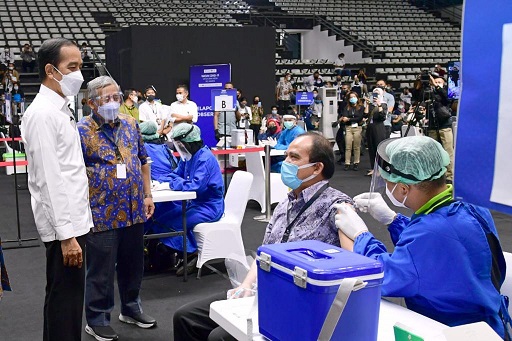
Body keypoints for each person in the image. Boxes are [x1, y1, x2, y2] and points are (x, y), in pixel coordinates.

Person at [173, 132, 353, 341]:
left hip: (298, 302)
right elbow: (264, 253)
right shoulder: (285, 204)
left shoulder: (338, 207)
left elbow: (352, 269)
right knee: (185, 317)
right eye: (286, 156)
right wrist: (246, 285)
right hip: (262, 292)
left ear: (317, 167)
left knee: (220, 337)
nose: (286, 162)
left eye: (294, 158)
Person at [335, 136, 510, 339]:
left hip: (452, 331)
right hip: (489, 322)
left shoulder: (430, 232)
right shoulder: (468, 206)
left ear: (403, 189)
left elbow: (381, 275)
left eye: (387, 182)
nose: (386, 187)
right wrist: (393, 220)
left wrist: (360, 235)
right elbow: (436, 252)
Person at [20, 37, 93, 341]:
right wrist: (67, 236)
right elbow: (49, 179)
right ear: (51, 70)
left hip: (74, 222)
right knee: (65, 306)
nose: (79, 74)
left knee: (66, 303)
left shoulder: (59, 109)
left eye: (80, 65)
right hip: (66, 229)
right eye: (72, 67)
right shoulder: (42, 115)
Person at [78, 76, 157, 341]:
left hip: (134, 207)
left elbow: (143, 160)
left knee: (133, 264)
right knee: (101, 269)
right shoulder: (81, 130)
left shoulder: (130, 124)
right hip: (102, 211)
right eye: (107, 98)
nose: (114, 102)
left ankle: (131, 308)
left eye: (117, 96)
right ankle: (97, 318)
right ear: (92, 103)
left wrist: (148, 195)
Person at [144, 123, 224, 276]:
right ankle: (184, 253)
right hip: (193, 204)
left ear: (188, 142)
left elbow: (195, 186)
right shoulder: (188, 157)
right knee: (160, 218)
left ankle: (191, 253)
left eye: (179, 144)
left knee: (172, 222)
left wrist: (174, 183)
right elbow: (176, 174)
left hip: (209, 207)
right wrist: (162, 182)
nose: (178, 148)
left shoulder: (204, 158)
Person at [364, 87, 387, 176]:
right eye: (374, 93)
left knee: (378, 148)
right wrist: (366, 104)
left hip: (378, 128)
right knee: (371, 148)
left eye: (377, 93)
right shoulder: (371, 105)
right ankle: (374, 168)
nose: (375, 95)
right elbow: (365, 115)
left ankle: (381, 169)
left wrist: (379, 105)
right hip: (370, 127)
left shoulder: (383, 104)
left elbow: (382, 117)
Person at [340, 91, 364, 171]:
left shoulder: (361, 107)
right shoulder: (346, 107)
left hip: (357, 128)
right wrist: (348, 119)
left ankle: (356, 162)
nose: (352, 99)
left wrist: (349, 119)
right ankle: (347, 163)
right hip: (348, 128)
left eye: (354, 97)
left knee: (357, 146)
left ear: (357, 98)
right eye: (351, 97)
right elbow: (345, 116)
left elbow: (359, 118)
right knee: (348, 146)